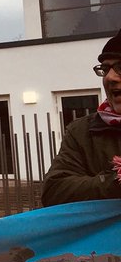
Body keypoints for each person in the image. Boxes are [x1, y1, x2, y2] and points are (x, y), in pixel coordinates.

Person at [42, 31, 121, 205]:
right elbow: (54, 190)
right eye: (105, 69)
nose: (110, 77)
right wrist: (114, 181)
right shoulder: (82, 131)